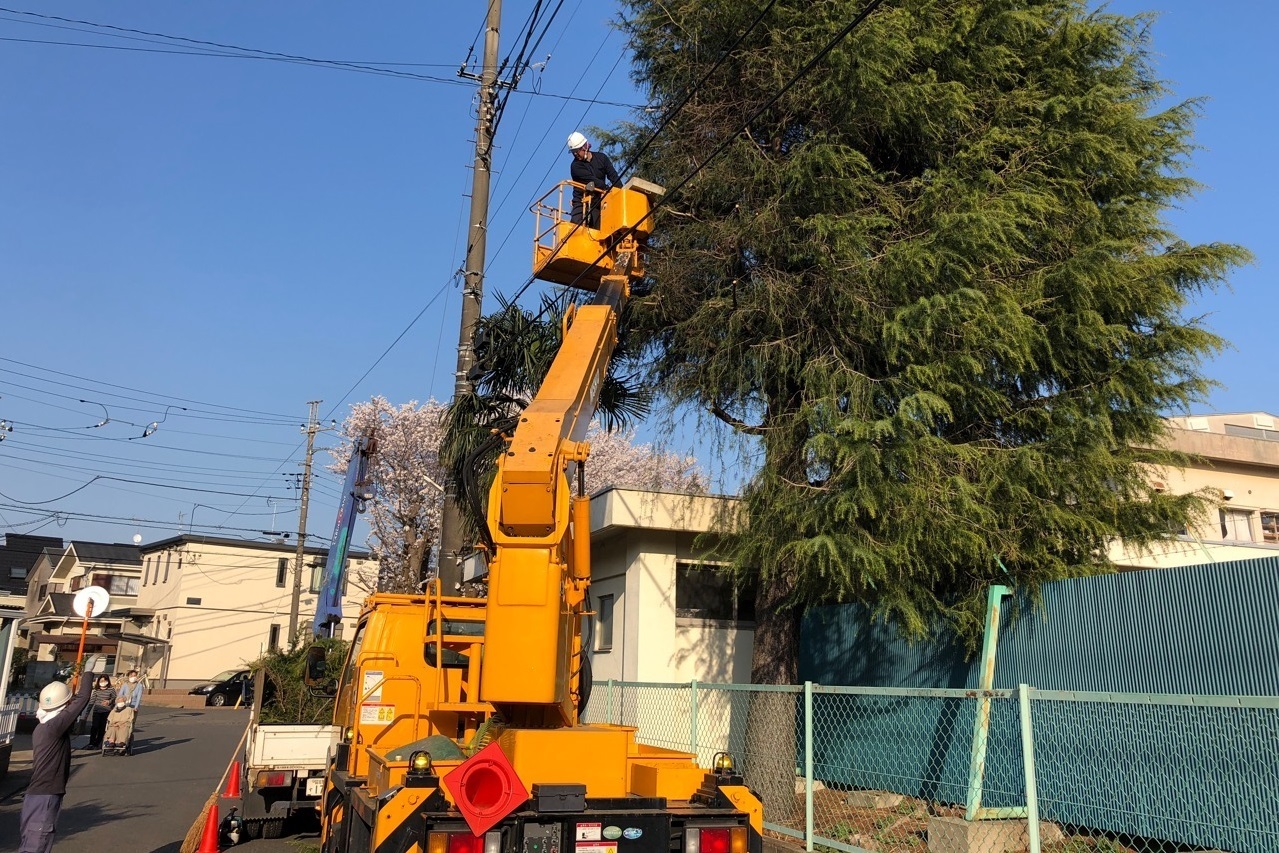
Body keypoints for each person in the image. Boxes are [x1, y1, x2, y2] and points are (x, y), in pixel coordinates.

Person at [20, 673, 95, 852]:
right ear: (63, 706)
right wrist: (89, 673)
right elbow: (82, 698)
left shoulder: (43, 726)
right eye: (68, 704)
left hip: (36, 794)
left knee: (30, 841)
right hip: (45, 795)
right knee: (36, 845)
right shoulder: (54, 726)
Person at [566, 131, 620, 228]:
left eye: (577, 151)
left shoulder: (601, 158)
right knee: (576, 226)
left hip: (600, 199)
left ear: (585, 147)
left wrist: (620, 193)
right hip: (582, 200)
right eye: (573, 152)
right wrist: (608, 189)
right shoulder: (576, 167)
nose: (575, 154)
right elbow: (594, 182)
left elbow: (613, 176)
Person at [86, 674, 115, 750]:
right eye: (101, 680)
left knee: (102, 728)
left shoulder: (111, 689)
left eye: (105, 680)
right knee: (94, 727)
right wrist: (87, 713)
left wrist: (109, 702)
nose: (103, 682)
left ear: (107, 681)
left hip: (106, 711)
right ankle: (91, 743)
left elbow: (114, 698)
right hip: (97, 711)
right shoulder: (96, 690)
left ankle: (98, 743)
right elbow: (92, 701)